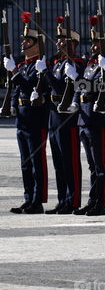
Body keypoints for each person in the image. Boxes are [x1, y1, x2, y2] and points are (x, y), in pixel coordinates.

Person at [5, 11, 49, 214]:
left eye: (27, 41)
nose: (23, 44)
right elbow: (16, 89)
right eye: (23, 41)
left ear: (36, 45)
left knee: (36, 161)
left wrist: (14, 73)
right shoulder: (23, 65)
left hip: (35, 117)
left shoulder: (39, 66)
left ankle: (37, 200)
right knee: (25, 162)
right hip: (22, 117)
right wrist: (12, 104)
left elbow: (31, 86)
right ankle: (28, 197)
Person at [76, 16, 105, 217]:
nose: (92, 47)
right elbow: (80, 87)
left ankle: (102, 202)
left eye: (96, 43)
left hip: (97, 121)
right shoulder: (90, 66)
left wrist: (85, 89)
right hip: (85, 119)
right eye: (92, 43)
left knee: (101, 165)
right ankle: (92, 200)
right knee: (92, 165)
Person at [46, 13, 84, 214]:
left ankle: (73, 200)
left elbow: (62, 89)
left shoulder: (75, 64)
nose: (58, 43)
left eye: (62, 40)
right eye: (59, 39)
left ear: (73, 44)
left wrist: (47, 74)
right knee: (59, 163)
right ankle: (63, 199)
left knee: (70, 161)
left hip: (67, 119)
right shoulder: (59, 64)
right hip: (54, 117)